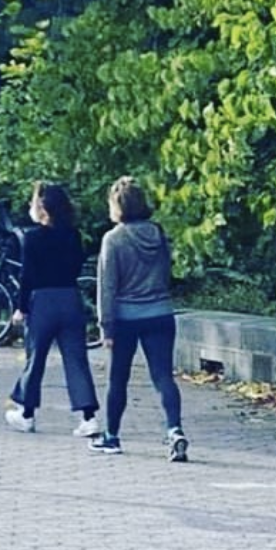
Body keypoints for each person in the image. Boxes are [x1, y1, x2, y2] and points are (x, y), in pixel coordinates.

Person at [89, 176, 189, 461]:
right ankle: (175, 429)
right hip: (160, 312)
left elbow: (107, 286)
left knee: (117, 379)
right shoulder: (158, 234)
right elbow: (168, 271)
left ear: (118, 206)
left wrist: (105, 326)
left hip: (125, 318)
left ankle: (112, 436)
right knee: (162, 377)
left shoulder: (114, 239)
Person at [4, 182, 100, 436]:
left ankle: (27, 413)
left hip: (42, 301)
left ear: (44, 210)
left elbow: (28, 276)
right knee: (76, 359)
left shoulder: (33, 238)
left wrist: (21, 307)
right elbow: (78, 266)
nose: (30, 207)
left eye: (33, 203)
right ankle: (88, 416)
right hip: (70, 297)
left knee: (35, 359)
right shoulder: (74, 235)